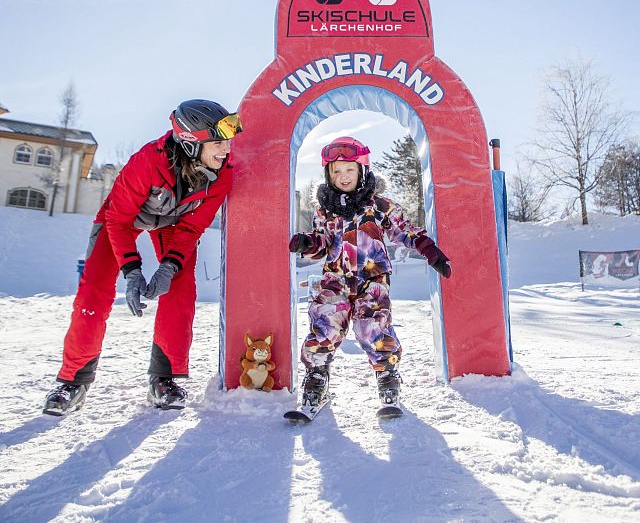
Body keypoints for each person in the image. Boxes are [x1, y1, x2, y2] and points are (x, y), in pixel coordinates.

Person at [43, 99, 242, 416]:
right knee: (94, 292)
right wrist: (133, 272)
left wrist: (168, 268)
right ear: (191, 141)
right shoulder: (147, 161)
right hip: (120, 222)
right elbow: (119, 222)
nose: (226, 150)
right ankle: (73, 381)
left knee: (180, 289)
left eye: (227, 141)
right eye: (218, 142)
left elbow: (191, 227)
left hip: (174, 226)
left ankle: (164, 379)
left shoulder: (223, 174)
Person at [288, 136, 451, 412]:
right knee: (324, 325)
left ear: (362, 170)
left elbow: (404, 230)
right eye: (336, 171)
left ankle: (387, 376)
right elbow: (322, 243)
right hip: (335, 280)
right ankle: (317, 377)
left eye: (349, 169)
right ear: (328, 174)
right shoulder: (324, 210)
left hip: (372, 279)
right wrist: (307, 243)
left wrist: (428, 248)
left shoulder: (379, 206)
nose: (343, 176)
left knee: (373, 328)